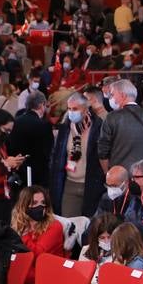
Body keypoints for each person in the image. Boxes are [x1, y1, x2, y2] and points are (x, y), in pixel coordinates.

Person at [50, 91, 104, 219]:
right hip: (70, 184)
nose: (71, 112)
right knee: (68, 224)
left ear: (85, 109)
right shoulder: (66, 128)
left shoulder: (98, 127)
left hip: (91, 184)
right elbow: (57, 156)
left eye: (75, 109)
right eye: (69, 109)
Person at [99, 79, 143, 171]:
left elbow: (103, 152)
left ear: (122, 95)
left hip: (119, 175)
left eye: (112, 95)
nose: (110, 98)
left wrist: (108, 174)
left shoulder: (111, 117)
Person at [11, 185, 67, 284]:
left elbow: (38, 254)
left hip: (47, 277)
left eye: (43, 203)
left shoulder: (54, 226)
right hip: (25, 276)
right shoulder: (18, 225)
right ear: (24, 206)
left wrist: (23, 235)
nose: (40, 207)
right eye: (35, 203)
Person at [10, 90, 53, 190]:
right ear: (42, 105)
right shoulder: (44, 125)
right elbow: (48, 151)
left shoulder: (15, 121)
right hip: (38, 175)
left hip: (18, 171)